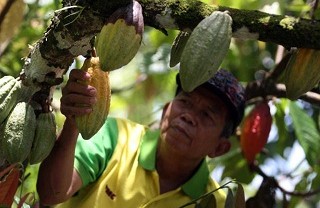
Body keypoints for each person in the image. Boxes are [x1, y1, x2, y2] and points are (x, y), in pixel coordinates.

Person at [36, 68, 245, 208]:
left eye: (207, 114)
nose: (189, 116)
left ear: (220, 148)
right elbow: (51, 193)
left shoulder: (215, 202)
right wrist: (74, 121)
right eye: (185, 102)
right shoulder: (115, 135)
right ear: (165, 111)